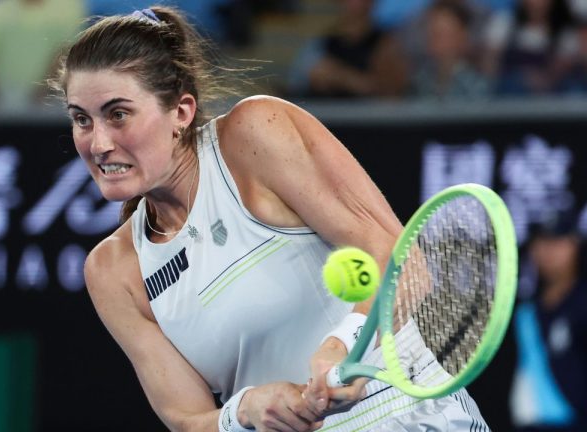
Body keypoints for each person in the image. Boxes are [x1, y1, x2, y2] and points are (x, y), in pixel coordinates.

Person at [53, 6, 489, 431]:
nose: (98, 143)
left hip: (407, 414)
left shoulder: (254, 134)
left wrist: (345, 344)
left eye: (118, 114)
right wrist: (244, 411)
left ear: (181, 112)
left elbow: (400, 259)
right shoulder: (113, 271)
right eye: (81, 120)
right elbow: (189, 421)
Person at [512, 211, 587, 431]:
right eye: (542, 241)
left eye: (558, 241)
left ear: (576, 246)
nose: (548, 251)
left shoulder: (582, 305)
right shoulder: (524, 311)